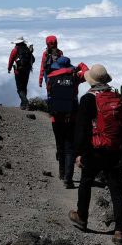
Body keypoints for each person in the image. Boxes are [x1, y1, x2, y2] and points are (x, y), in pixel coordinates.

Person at [68, 64, 122, 245]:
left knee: (86, 181)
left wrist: (79, 153)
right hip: (114, 149)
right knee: (116, 189)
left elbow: (82, 128)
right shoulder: (117, 97)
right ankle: (120, 230)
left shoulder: (88, 98)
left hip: (94, 149)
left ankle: (82, 217)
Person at [46, 56, 88, 188]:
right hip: (71, 118)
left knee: (60, 146)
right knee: (69, 148)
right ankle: (68, 180)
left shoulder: (50, 77)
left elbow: (50, 94)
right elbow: (88, 73)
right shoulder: (75, 77)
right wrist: (80, 65)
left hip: (56, 118)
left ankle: (62, 173)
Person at [7, 37, 35, 109]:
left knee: (20, 89)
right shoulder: (27, 49)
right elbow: (33, 59)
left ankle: (26, 103)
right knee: (24, 87)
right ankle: (23, 105)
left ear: (16, 42)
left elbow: (11, 60)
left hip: (18, 71)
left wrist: (9, 68)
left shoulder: (15, 50)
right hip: (27, 70)